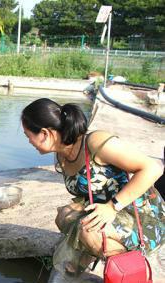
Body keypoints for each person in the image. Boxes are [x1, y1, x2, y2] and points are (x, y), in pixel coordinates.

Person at [21, 98, 164, 275]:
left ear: (45, 133)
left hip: (142, 216)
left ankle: (129, 271)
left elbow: (153, 169)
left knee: (89, 232)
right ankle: (90, 255)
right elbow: (91, 190)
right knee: (64, 216)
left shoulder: (96, 143)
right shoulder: (62, 155)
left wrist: (113, 206)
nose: (29, 142)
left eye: (28, 136)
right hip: (110, 210)